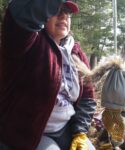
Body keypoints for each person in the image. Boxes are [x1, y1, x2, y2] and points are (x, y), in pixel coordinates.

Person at [0, 0, 96, 150]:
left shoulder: (76, 52)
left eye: (67, 12)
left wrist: (80, 132)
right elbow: (20, 16)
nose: (63, 15)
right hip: (28, 134)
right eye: (58, 9)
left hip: (66, 128)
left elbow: (87, 98)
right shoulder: (26, 42)